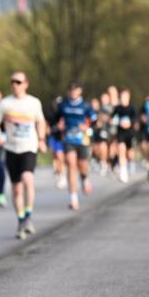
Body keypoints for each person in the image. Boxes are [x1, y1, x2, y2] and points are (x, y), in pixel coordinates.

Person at [0, 71, 47, 239]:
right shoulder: (5, 103)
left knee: (27, 179)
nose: (15, 85)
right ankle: (21, 219)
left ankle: (28, 215)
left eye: (18, 82)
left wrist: (41, 139)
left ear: (26, 84)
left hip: (29, 146)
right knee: (16, 188)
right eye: (13, 82)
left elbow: (40, 121)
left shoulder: (34, 102)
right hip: (11, 148)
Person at [54, 82, 96, 211]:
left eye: (75, 90)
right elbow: (56, 118)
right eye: (71, 90)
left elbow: (94, 118)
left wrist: (87, 125)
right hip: (68, 139)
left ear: (80, 91)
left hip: (82, 139)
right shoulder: (63, 104)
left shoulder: (85, 105)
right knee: (71, 165)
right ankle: (73, 199)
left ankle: (84, 178)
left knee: (82, 165)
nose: (73, 92)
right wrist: (59, 125)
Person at [112, 88, 138, 183]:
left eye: (125, 96)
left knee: (129, 153)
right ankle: (123, 172)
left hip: (130, 133)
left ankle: (131, 163)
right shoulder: (117, 108)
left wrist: (130, 123)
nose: (123, 98)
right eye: (122, 96)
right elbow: (112, 118)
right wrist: (117, 121)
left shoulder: (132, 107)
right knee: (121, 149)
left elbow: (136, 119)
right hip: (121, 133)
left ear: (128, 97)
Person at [45, 95, 67, 190]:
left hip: (62, 137)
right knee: (56, 155)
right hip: (53, 136)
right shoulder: (50, 113)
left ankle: (62, 176)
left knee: (60, 156)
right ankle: (59, 171)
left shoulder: (65, 112)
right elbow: (47, 126)